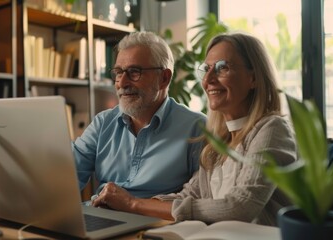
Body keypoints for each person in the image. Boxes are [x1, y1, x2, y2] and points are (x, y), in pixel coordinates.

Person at [92, 32, 298, 226]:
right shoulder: (219, 141)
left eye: (222, 68)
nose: (208, 81)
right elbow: (189, 195)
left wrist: (132, 204)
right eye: (206, 69)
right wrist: (124, 202)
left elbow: (239, 206)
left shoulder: (272, 129)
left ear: (253, 78)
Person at [72, 31, 207, 199]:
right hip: (102, 214)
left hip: (158, 222)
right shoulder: (103, 122)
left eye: (134, 72)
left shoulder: (197, 128)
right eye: (118, 72)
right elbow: (66, 177)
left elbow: (200, 198)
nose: (122, 83)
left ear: (164, 78)